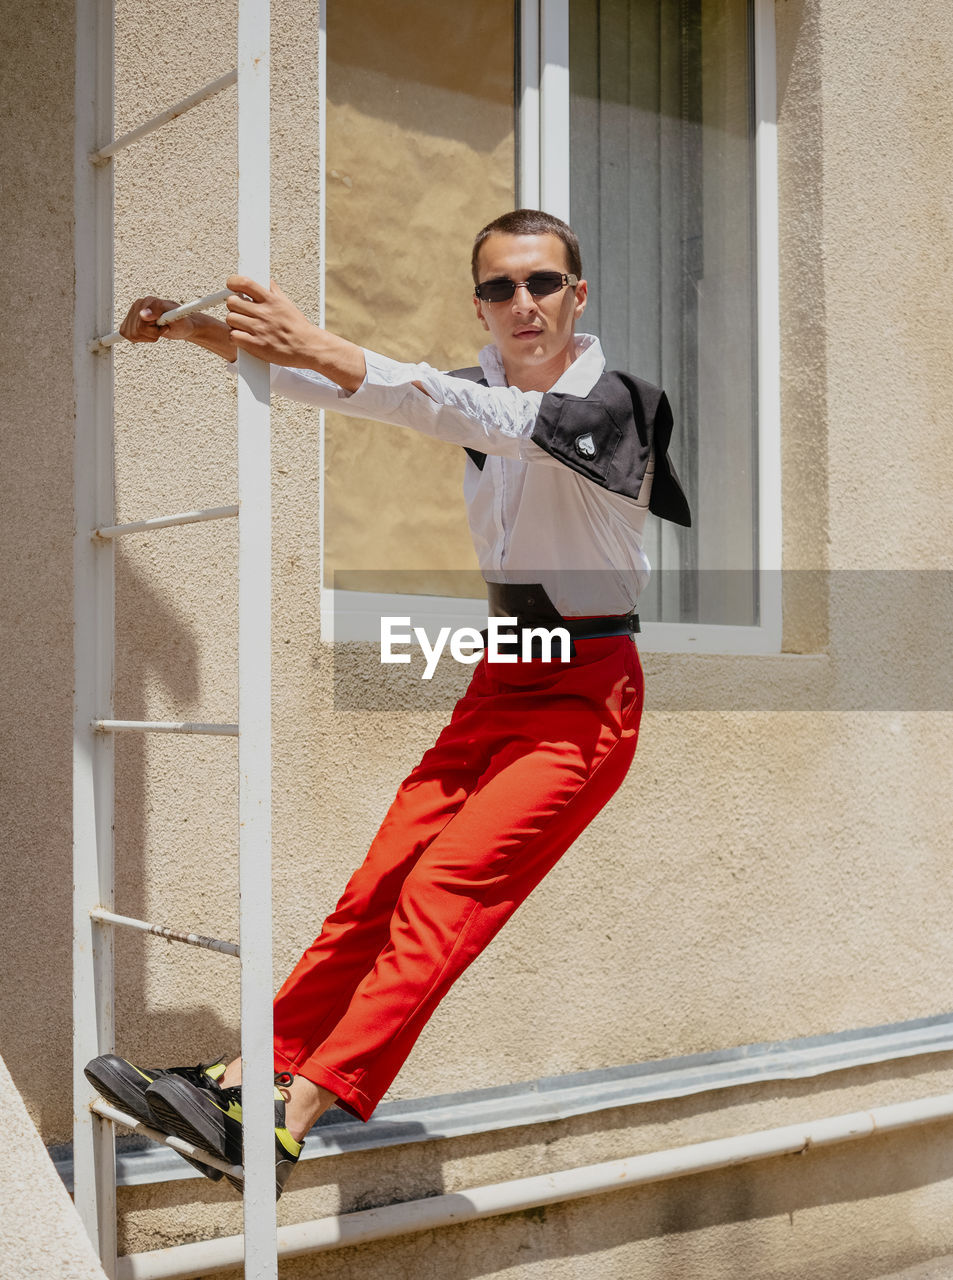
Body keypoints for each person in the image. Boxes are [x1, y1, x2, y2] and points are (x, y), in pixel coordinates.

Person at [85, 209, 690, 1198]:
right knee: (379, 881)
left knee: (442, 891)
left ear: (577, 295)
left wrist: (320, 338)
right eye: (498, 288)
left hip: (584, 693)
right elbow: (376, 395)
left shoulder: (613, 403)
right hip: (507, 668)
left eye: (540, 283)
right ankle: (243, 1080)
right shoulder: (479, 386)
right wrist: (217, 339)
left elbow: (463, 416)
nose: (520, 304)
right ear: (480, 304)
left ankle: (290, 1115)